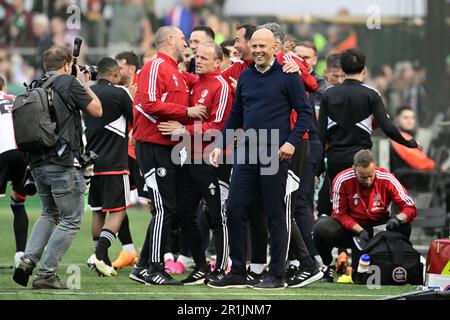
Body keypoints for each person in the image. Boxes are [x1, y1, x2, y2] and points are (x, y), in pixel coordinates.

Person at [208, 28, 313, 290]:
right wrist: (220, 146)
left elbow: (305, 113)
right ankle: (238, 272)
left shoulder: (288, 76)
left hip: (275, 151)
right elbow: (236, 116)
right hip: (246, 151)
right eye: (254, 46)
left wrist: (290, 142)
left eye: (262, 46)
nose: (257, 50)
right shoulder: (245, 77)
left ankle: (277, 274)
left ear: (275, 47)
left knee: (275, 214)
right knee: (233, 208)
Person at [317, 48, 419, 281]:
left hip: (335, 161)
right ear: (364, 70)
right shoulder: (371, 93)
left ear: (341, 71)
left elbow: (320, 133)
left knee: (332, 210)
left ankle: (329, 267)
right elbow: (387, 126)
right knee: (362, 203)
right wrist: (409, 141)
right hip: (362, 158)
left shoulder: (330, 94)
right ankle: (367, 257)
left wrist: (317, 164)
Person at [13, 45, 102, 289]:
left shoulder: (36, 84)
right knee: (71, 218)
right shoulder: (69, 83)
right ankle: (46, 274)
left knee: (49, 213)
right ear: (66, 64)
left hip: (37, 163)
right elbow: (97, 109)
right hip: (64, 163)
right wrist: (82, 82)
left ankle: (27, 261)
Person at [129, 26, 207, 285]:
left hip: (168, 147)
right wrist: (188, 113)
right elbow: (147, 103)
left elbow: (203, 82)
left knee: (168, 208)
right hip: (152, 145)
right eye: (184, 39)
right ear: (171, 39)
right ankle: (154, 268)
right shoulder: (154, 67)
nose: (187, 44)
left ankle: (142, 266)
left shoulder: (177, 71)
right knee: (165, 208)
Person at [158, 41, 233, 285]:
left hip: (210, 159)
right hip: (188, 157)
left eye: (203, 57)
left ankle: (221, 267)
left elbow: (219, 126)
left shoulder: (220, 85)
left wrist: (183, 129)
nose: (198, 60)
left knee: (216, 215)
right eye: (197, 56)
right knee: (183, 213)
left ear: (218, 62)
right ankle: (201, 266)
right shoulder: (195, 82)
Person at [313, 149, 417, 277]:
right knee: (321, 228)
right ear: (354, 169)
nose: (368, 181)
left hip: (378, 228)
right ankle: (327, 265)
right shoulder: (342, 179)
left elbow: (410, 207)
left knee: (405, 226)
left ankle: (393, 262)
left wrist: (398, 219)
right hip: (351, 229)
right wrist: (360, 231)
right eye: (363, 177)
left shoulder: (387, 178)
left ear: (375, 167)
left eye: (371, 176)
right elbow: (340, 214)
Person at [84, 57, 134, 277]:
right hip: (115, 161)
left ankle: (101, 259)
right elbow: (136, 119)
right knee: (118, 211)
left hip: (90, 164)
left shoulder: (86, 92)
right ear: (114, 74)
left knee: (97, 211)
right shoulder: (120, 93)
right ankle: (99, 255)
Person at [111, 51, 143, 270]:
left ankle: (168, 253)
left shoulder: (142, 85)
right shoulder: (116, 89)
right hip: (123, 153)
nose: (117, 71)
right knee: (117, 203)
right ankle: (129, 250)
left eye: (120, 67)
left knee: (156, 203)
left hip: (142, 152)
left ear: (131, 69)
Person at [0, 76, 29, 266]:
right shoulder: (18, 98)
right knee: (18, 203)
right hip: (24, 154)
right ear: (4, 87)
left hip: (2, 152)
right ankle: (21, 255)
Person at [390, 106, 435, 174]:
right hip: (407, 181)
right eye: (406, 118)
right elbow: (420, 163)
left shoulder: (400, 136)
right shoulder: (401, 138)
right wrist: (437, 167)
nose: (410, 121)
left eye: (412, 118)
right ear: (396, 119)